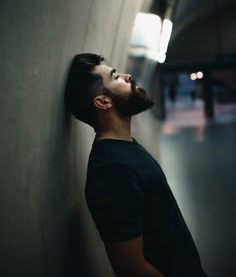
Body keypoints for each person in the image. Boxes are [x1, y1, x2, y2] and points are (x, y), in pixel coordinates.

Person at [64, 53, 208, 277]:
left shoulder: (124, 148)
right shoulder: (113, 171)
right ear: (103, 102)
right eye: (115, 77)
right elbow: (132, 269)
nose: (128, 75)